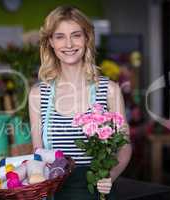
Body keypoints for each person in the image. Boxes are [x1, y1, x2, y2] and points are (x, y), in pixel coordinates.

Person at [28, 5, 132, 199]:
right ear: (50, 42)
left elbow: (124, 144)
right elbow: (38, 153)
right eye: (60, 36)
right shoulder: (37, 95)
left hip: (98, 191)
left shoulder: (109, 90)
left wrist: (111, 175)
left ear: (87, 38)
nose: (68, 44)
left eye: (76, 35)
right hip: (57, 193)